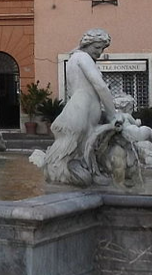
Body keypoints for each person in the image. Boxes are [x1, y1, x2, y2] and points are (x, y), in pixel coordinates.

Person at [31, 29, 124, 186]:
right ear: (87, 44)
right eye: (97, 48)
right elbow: (100, 86)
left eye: (102, 49)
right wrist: (112, 114)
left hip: (82, 108)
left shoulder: (75, 59)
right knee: (79, 146)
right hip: (82, 109)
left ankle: (88, 172)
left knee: (85, 146)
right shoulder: (82, 57)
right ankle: (74, 174)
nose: (100, 52)